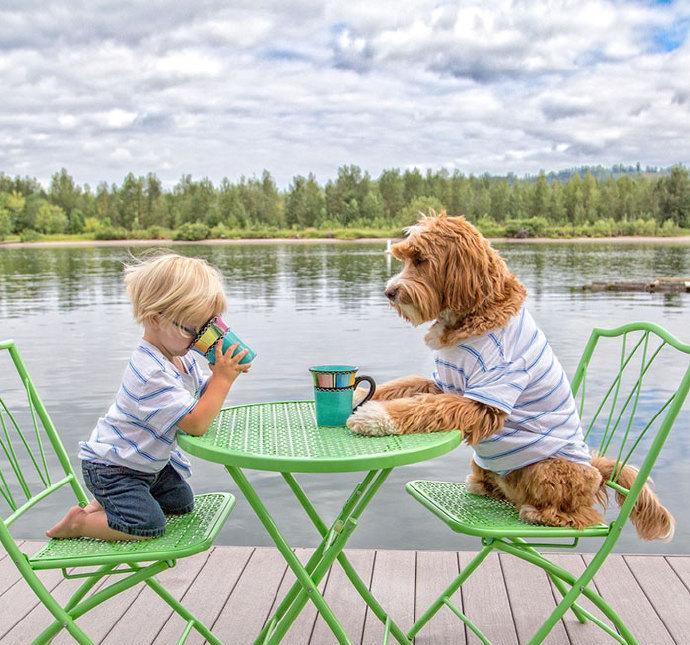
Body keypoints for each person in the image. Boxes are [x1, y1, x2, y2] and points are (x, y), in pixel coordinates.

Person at [46, 251, 251, 540]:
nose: (200, 340)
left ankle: (105, 504)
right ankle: (79, 523)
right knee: (149, 526)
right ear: (156, 319)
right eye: (194, 330)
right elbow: (195, 423)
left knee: (181, 505)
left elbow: (196, 402)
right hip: (113, 468)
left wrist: (219, 374)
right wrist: (222, 379)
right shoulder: (149, 373)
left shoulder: (182, 358)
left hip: (147, 466)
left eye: (208, 329)